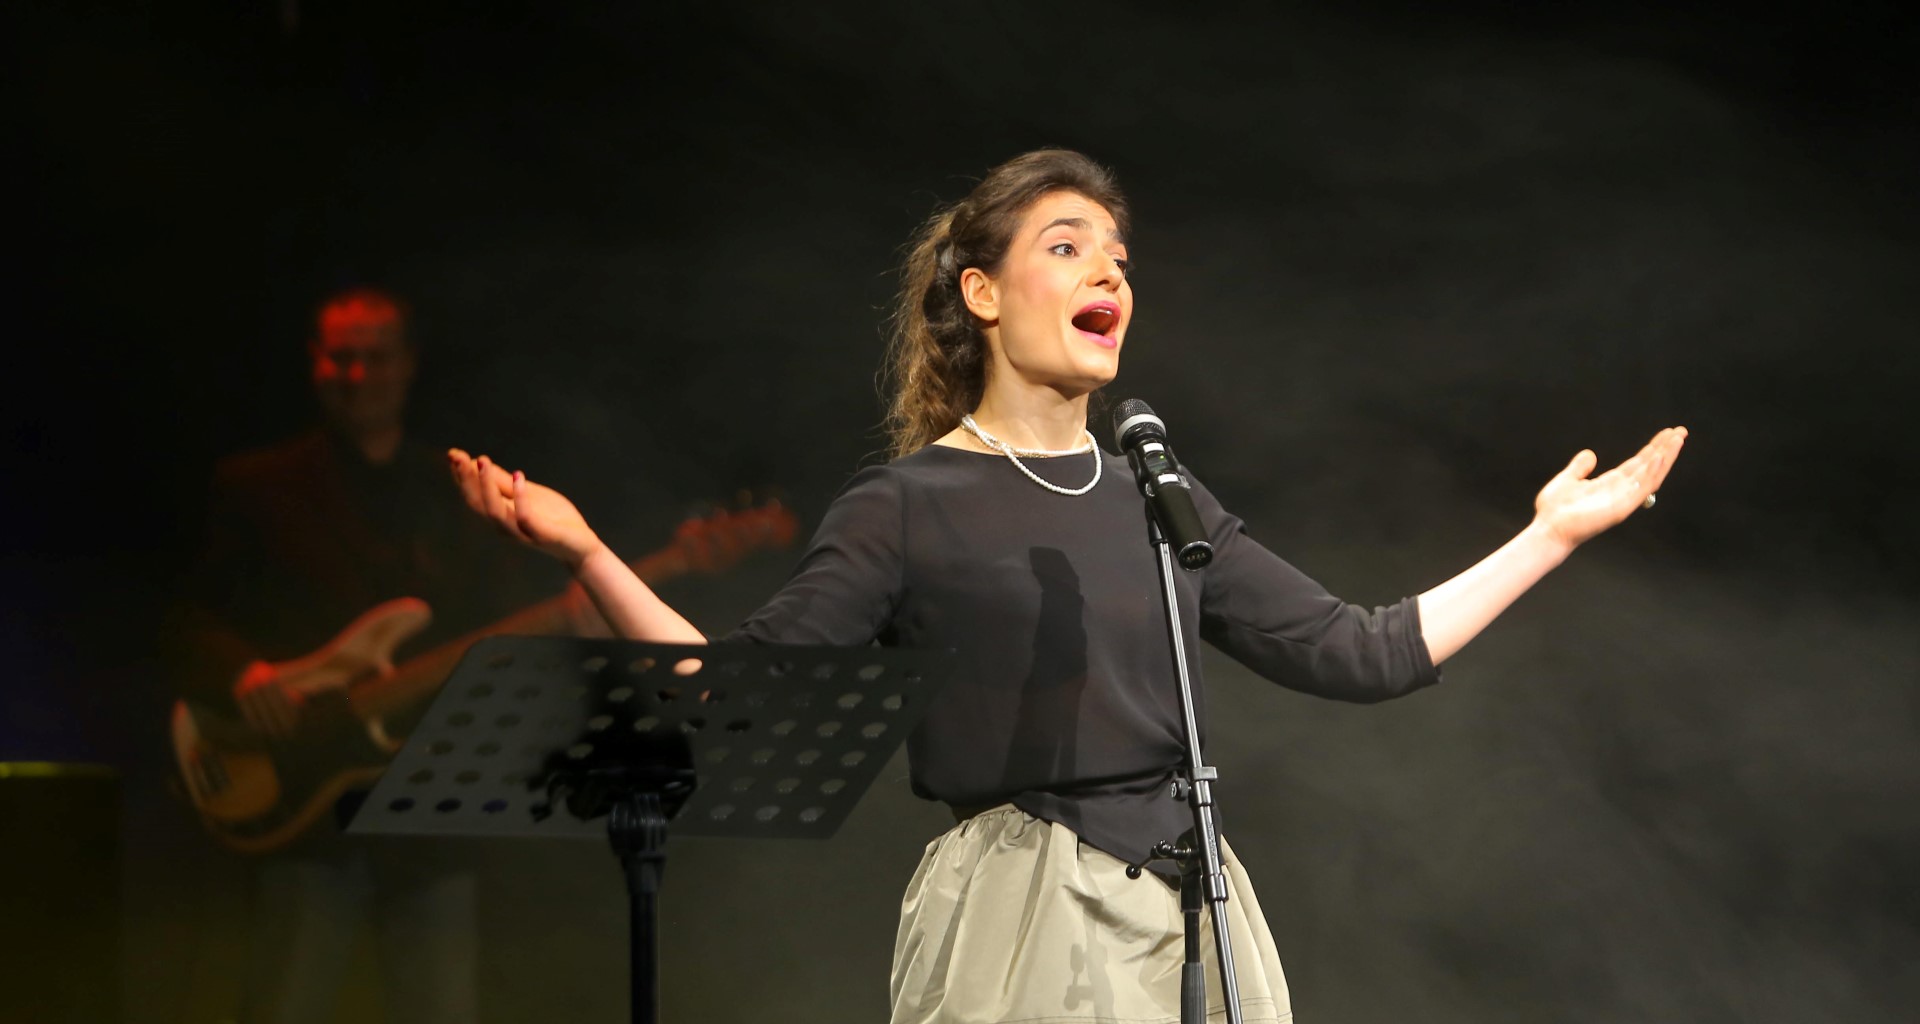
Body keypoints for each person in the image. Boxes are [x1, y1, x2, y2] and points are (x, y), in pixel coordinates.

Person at [449, 150, 1687, 1024]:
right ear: (982, 294)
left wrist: (1550, 537)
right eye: (1067, 246)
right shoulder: (909, 502)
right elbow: (739, 692)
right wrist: (591, 554)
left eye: (1119, 257)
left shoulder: (1156, 486)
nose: (1110, 273)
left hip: (1194, 905)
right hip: (1024, 904)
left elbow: (1359, 650)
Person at [175, 287, 581, 1024]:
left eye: (376, 357)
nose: (358, 375)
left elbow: (498, 619)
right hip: (306, 798)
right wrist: (243, 672)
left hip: (429, 808)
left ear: (409, 363)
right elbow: (187, 617)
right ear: (315, 363)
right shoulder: (258, 485)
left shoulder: (453, 489)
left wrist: (577, 607)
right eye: (342, 357)